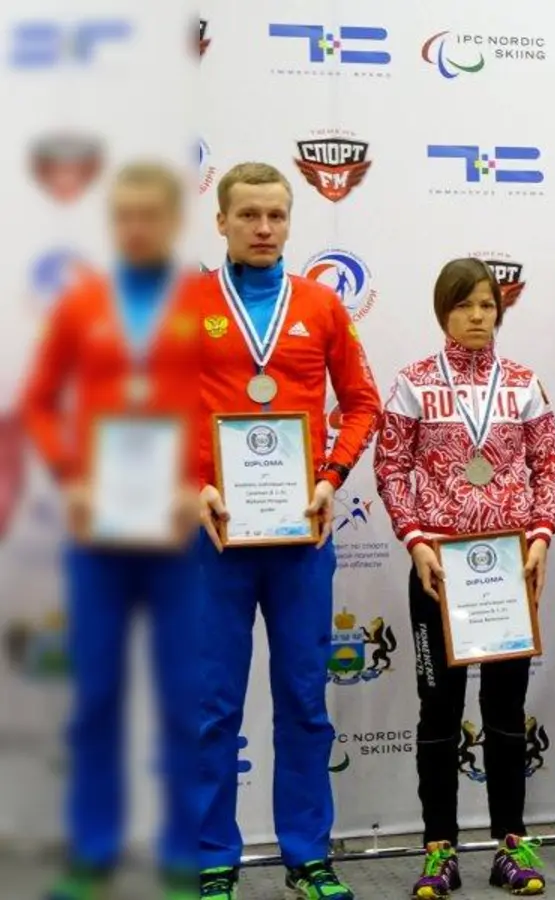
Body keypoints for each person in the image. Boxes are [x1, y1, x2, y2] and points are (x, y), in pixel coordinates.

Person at [192, 162, 382, 900]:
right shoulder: (187, 305)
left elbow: (362, 402)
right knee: (213, 705)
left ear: (290, 221)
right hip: (214, 538)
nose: (264, 228)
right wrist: (191, 485)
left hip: (301, 537)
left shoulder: (321, 307)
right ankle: (213, 855)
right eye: (249, 216)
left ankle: (308, 855)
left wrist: (330, 476)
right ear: (222, 222)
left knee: (305, 699)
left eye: (276, 215)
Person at [19, 161, 207, 900]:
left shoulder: (204, 304)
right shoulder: (81, 303)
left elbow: (224, 404)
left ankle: (183, 853)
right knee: (96, 693)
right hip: (99, 534)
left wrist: (201, 481)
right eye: (124, 215)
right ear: (112, 222)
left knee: (182, 695)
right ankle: (92, 848)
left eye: (149, 214)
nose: (137, 227)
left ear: (171, 221)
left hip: (178, 535)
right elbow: (37, 402)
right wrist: (72, 476)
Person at [374, 258, 555, 897]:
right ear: (443, 313)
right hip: (438, 573)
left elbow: (549, 465)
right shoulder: (411, 384)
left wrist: (539, 538)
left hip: (509, 572)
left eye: (487, 305)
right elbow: (391, 467)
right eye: (464, 306)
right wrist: (415, 541)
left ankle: (513, 843)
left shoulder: (524, 383)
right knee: (439, 709)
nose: (478, 316)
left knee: (506, 710)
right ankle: (439, 849)